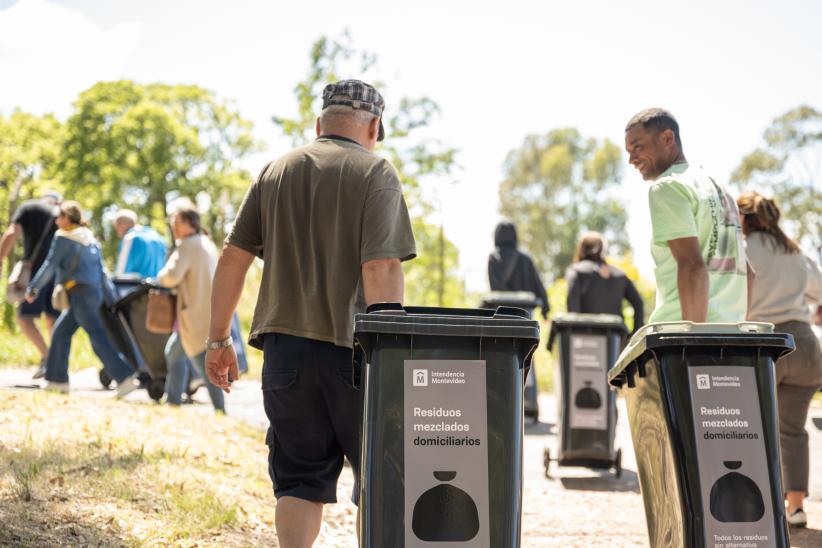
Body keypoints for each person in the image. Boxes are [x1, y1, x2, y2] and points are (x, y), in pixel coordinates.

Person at [205, 79, 415, 547]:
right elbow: (381, 266)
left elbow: (232, 258)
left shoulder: (275, 171)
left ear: (319, 124)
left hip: (286, 355)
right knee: (379, 480)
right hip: (357, 354)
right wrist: (393, 356)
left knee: (298, 480)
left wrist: (219, 340)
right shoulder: (376, 172)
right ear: (374, 128)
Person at [738, 191, 822, 528]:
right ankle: (796, 508)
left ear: (743, 218)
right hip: (805, 346)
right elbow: (819, 289)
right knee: (792, 428)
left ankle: (754, 502)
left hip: (764, 344)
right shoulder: (794, 250)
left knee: (752, 426)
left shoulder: (743, 249)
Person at [624, 108, 750, 323]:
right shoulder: (718, 187)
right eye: (629, 151)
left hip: (681, 335)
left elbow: (692, 266)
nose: (631, 159)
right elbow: (748, 272)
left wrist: (693, 338)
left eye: (638, 147)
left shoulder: (668, 186)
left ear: (667, 138)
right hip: (730, 334)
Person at [25, 201, 139, 396]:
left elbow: (50, 265)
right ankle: (57, 381)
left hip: (79, 292)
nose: (56, 221)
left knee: (97, 336)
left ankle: (125, 378)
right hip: (93, 293)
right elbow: (101, 271)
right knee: (61, 333)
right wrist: (111, 297)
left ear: (67, 218)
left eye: (59, 217)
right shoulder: (89, 237)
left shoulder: (63, 237)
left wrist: (33, 287)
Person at [157, 205, 225, 413]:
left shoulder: (187, 246)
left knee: (204, 364)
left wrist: (159, 277)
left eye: (178, 222)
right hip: (205, 312)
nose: (174, 226)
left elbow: (170, 276)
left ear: (191, 224)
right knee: (174, 353)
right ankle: (173, 402)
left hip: (193, 315)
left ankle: (219, 410)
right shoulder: (205, 243)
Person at [0, 191, 62, 378]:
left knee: (25, 318)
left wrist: (0, 259)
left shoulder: (29, 207)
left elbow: (12, 233)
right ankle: (56, 361)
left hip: (36, 273)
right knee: (53, 319)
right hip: (58, 273)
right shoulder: (62, 214)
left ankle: (48, 358)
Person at [566, 232, 644, 334]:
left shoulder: (576, 271)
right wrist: (635, 334)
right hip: (616, 336)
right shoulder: (619, 274)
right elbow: (638, 303)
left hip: (586, 336)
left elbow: (572, 307)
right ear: (603, 250)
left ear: (581, 249)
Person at [487, 221, 550, 319]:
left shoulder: (493, 258)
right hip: (524, 314)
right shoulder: (526, 259)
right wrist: (545, 310)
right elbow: (538, 286)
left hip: (499, 313)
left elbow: (494, 286)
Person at [112, 209, 168, 278]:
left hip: (137, 284)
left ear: (122, 225)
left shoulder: (129, 238)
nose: (117, 233)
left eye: (116, 228)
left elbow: (119, 274)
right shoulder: (159, 238)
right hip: (158, 283)